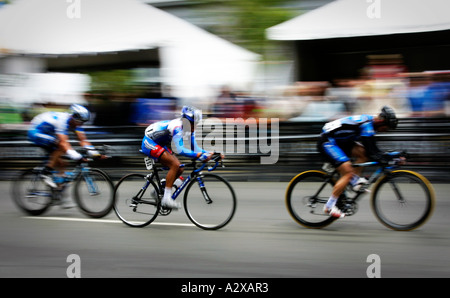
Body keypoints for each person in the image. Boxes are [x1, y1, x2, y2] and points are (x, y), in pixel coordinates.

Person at [317, 106, 401, 218]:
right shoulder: (367, 125)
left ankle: (353, 182)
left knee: (363, 153)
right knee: (348, 172)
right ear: (381, 122)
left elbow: (372, 151)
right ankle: (329, 206)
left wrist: (392, 156)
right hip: (328, 141)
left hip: (341, 141)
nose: (385, 131)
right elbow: (374, 153)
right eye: (386, 128)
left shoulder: (370, 123)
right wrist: (391, 157)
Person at [141, 106, 216, 209]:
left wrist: (211, 153)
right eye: (193, 124)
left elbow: (195, 148)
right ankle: (166, 199)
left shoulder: (188, 128)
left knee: (180, 167)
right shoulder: (177, 127)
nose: (194, 127)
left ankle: (160, 188)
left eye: (196, 124)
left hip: (160, 143)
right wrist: (199, 155)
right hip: (149, 142)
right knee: (175, 164)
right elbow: (180, 149)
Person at [28, 104, 100, 205]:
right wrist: (76, 156)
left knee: (63, 165)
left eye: (83, 122)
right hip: (36, 131)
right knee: (59, 145)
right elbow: (63, 143)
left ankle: (59, 194)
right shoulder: (62, 120)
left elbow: (83, 140)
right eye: (79, 122)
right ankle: (46, 172)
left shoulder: (76, 123)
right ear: (73, 116)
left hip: (47, 133)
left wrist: (95, 153)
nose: (80, 125)